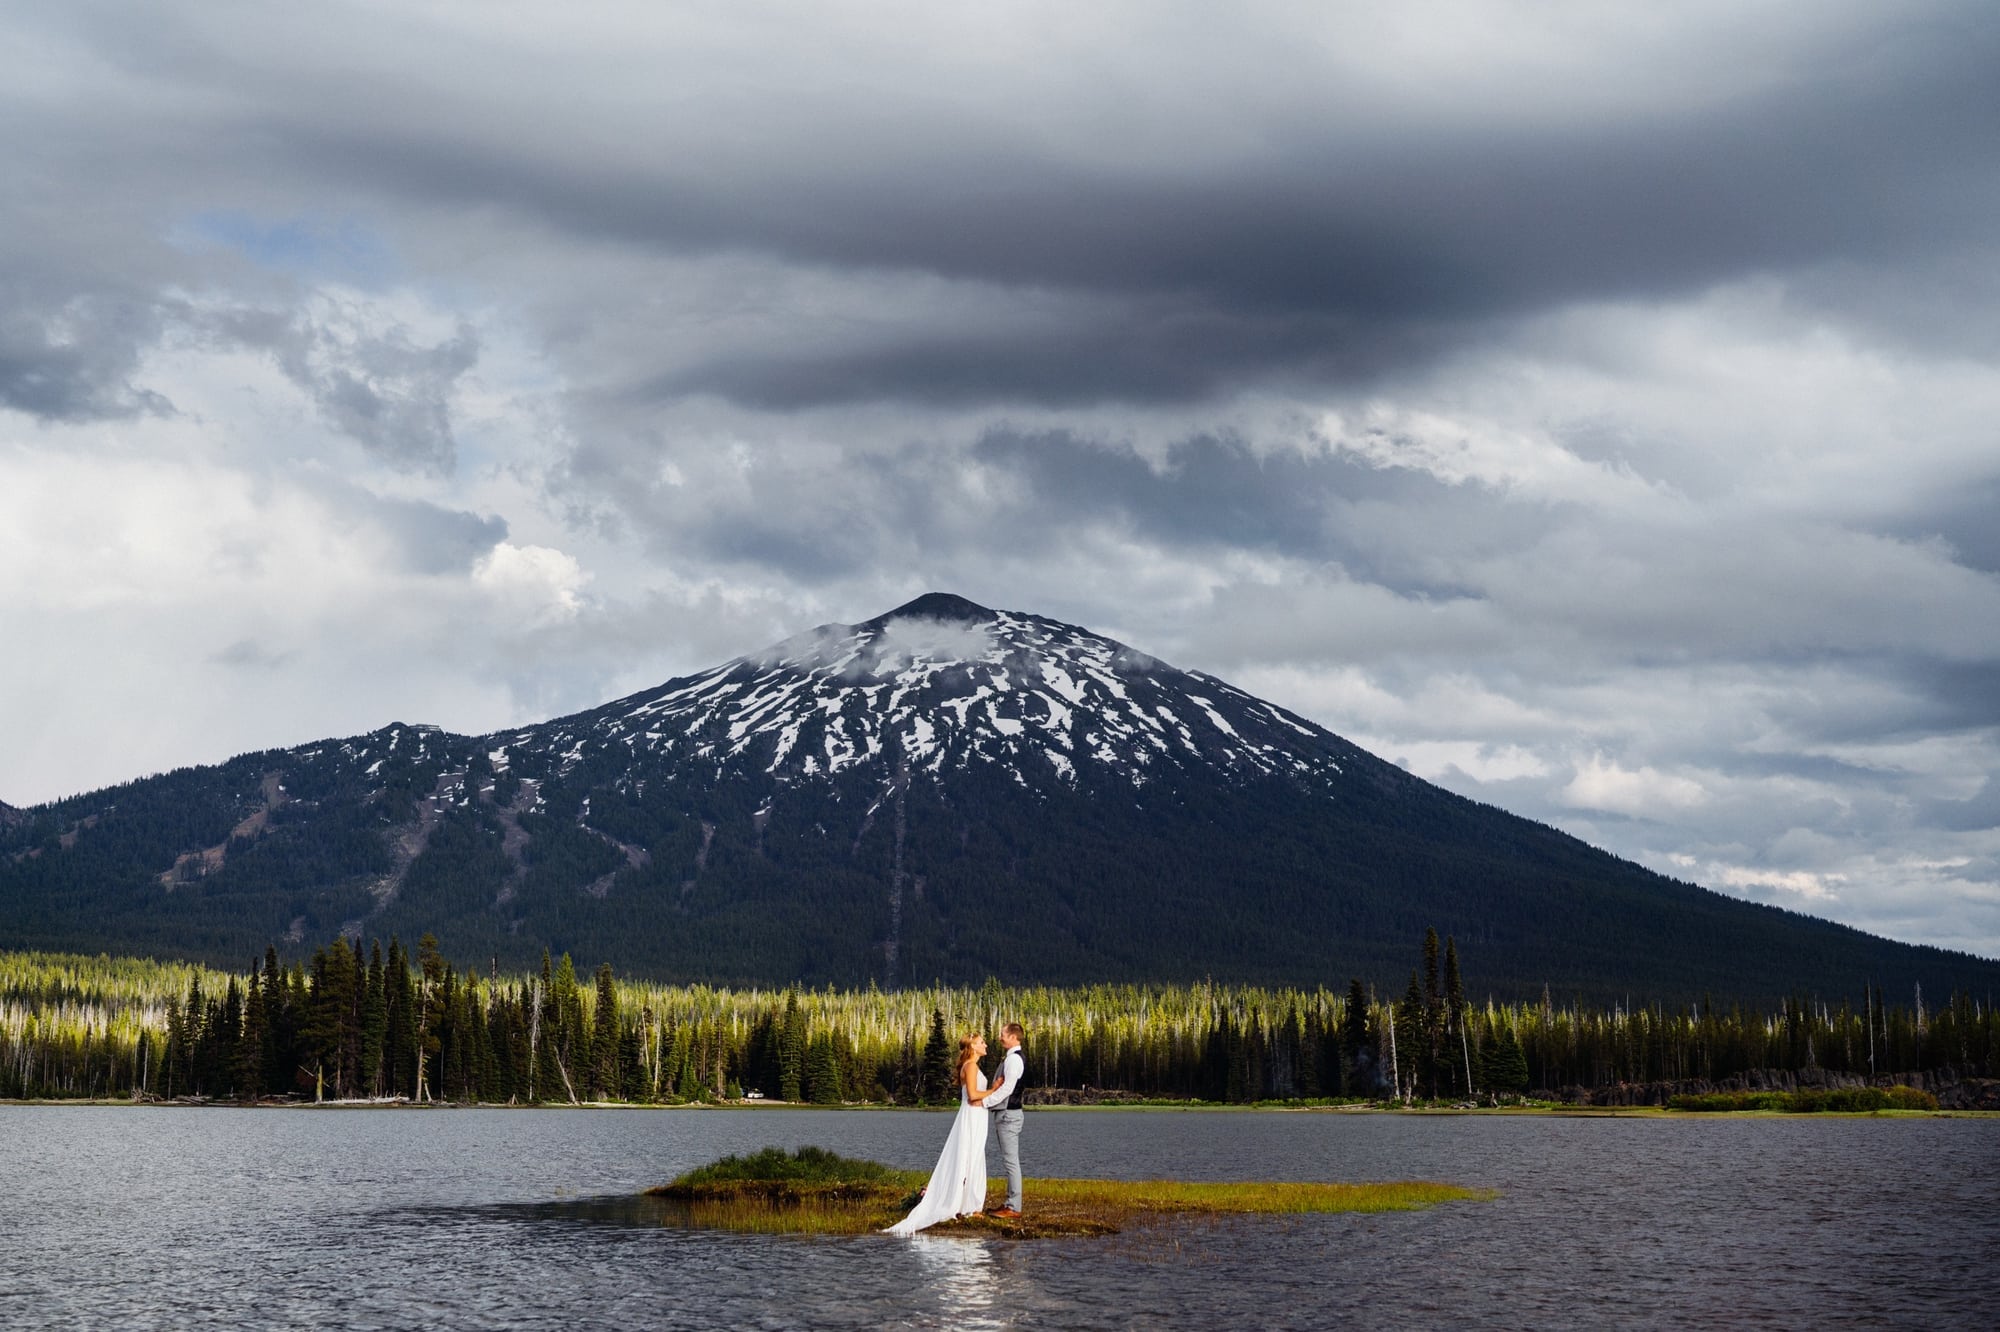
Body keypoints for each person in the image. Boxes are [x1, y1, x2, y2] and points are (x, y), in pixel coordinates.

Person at [885, 1033, 1004, 1235]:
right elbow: (973, 1096)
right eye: (982, 1042)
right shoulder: (971, 1066)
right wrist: (994, 1089)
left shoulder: (970, 1065)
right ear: (973, 1047)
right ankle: (968, 1207)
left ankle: (968, 1204)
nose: (986, 1045)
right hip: (973, 1116)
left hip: (975, 1116)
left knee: (972, 1157)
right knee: (971, 1158)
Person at [986, 1022, 1025, 1219]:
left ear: (1013, 1037)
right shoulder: (1010, 1059)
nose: (1000, 1037)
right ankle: (1011, 1202)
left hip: (1009, 1115)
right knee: (1010, 1161)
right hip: (1007, 1114)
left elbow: (1007, 1088)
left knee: (1011, 1162)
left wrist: (985, 1102)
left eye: (1003, 1034)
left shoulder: (1014, 1061)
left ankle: (1014, 1207)